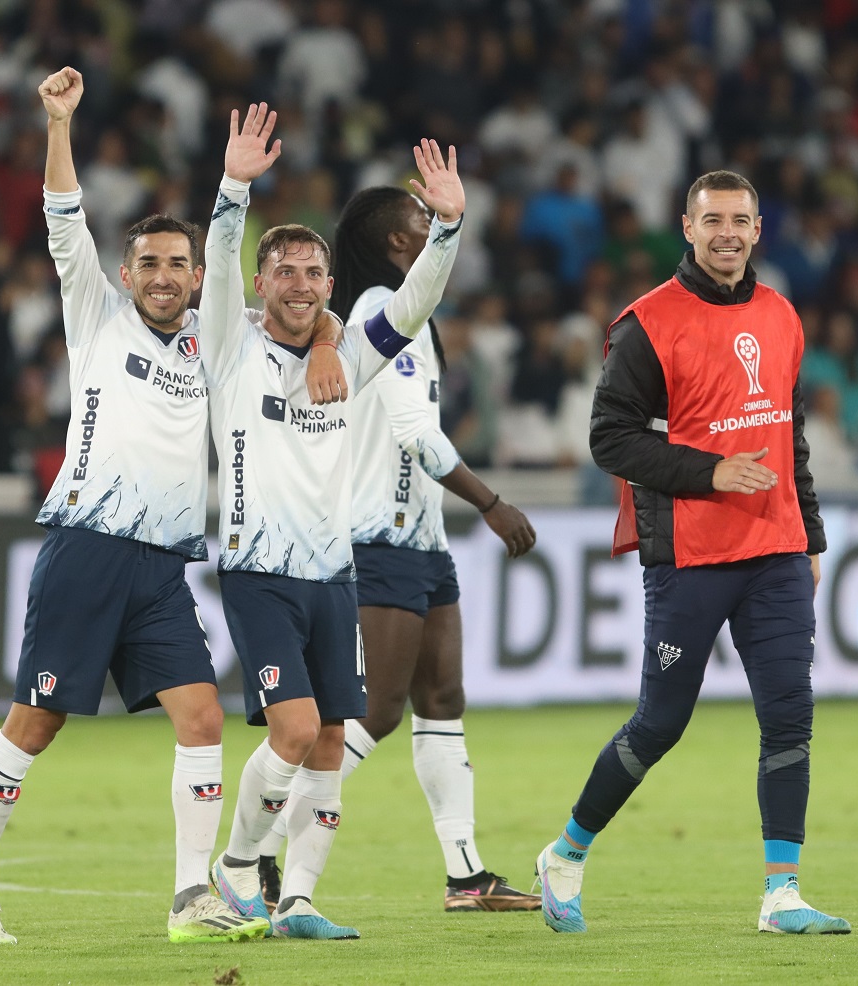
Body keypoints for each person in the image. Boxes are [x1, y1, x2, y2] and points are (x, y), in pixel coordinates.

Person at [0, 67, 343, 948]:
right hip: (86, 549)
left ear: (201, 278)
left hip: (165, 567)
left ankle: (190, 897)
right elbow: (61, 219)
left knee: (202, 720)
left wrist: (327, 329)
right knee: (35, 724)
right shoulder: (94, 314)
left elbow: (294, 300)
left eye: (178, 266)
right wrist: (58, 125)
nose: (163, 278)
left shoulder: (213, 338)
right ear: (125, 272)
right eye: (149, 264)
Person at [535, 170, 851, 936]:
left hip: (775, 550)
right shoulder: (648, 324)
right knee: (660, 724)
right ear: (686, 226)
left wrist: (808, 534)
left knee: (789, 717)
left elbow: (790, 434)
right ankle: (567, 852)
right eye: (712, 220)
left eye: (740, 220)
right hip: (690, 555)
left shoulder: (780, 315)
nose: (727, 234)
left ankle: (782, 893)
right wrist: (709, 471)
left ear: (758, 228)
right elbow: (609, 437)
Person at [200, 104, 464, 939]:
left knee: (331, 745)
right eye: (284, 271)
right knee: (300, 728)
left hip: (334, 574)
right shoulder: (229, 348)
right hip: (258, 571)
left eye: (315, 272)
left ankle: (301, 899)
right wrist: (234, 188)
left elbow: (414, 303)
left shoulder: (350, 352)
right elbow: (214, 265)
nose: (302, 283)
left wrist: (450, 228)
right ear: (260, 282)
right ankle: (239, 865)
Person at [253, 184, 539, 913]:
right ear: (397, 245)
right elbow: (416, 432)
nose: (431, 231)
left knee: (442, 701)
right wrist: (492, 503)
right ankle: (262, 847)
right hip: (379, 535)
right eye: (422, 224)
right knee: (373, 712)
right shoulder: (381, 306)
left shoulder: (397, 311)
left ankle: (467, 876)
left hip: (422, 539)